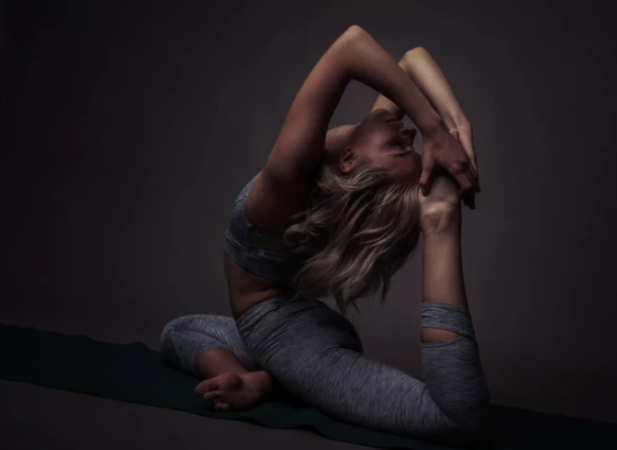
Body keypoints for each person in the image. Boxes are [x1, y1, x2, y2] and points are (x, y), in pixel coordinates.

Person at [160, 25, 489, 446]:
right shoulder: (340, 164)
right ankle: (259, 379)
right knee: (178, 331)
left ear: (350, 161)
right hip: (307, 325)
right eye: (407, 140)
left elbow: (351, 46)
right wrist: (455, 129)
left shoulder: (289, 178)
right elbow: (410, 60)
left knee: (457, 418)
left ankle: (273, 377)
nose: (409, 132)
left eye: (399, 146)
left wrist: (441, 220)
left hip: (287, 337)